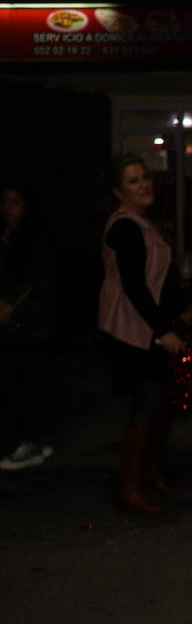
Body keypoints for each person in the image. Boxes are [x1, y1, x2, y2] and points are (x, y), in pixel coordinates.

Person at [97, 155, 187, 514]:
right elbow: (134, 286)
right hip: (129, 330)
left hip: (145, 327)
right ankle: (129, 485)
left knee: (160, 401)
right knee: (147, 401)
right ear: (119, 192)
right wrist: (163, 331)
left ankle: (150, 474)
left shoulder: (141, 222)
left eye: (145, 177)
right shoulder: (125, 227)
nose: (144, 184)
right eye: (133, 181)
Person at [0, 182, 57, 470]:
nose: (8, 209)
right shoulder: (10, 236)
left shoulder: (33, 238)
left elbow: (41, 284)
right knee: (26, 381)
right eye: (4, 202)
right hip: (23, 324)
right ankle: (36, 438)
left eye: (15, 202)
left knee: (23, 382)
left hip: (28, 324)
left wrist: (12, 306)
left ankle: (32, 440)